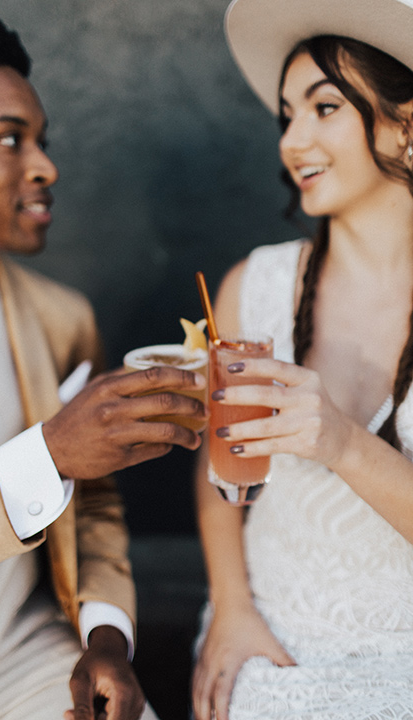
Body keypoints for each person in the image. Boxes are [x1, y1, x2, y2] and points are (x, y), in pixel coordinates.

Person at [0, 4, 208, 720]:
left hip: (28, 654)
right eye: (9, 139)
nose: (47, 166)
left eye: (43, 141)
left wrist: (107, 640)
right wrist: (52, 451)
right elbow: (61, 463)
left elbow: (97, 507)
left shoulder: (65, 317)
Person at [192, 0, 413, 718]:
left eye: (324, 108)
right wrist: (230, 611)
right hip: (271, 634)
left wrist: (344, 442)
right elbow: (217, 466)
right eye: (287, 115)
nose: (292, 140)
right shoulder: (250, 288)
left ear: (407, 125)